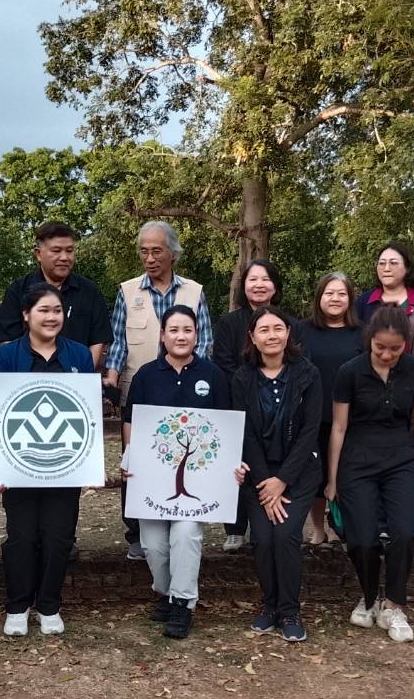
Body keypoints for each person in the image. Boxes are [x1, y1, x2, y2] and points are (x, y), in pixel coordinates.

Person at [119, 304, 238, 639]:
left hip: (196, 480)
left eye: (187, 330)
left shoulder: (213, 375)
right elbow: (131, 421)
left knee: (186, 535)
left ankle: (183, 604)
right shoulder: (146, 375)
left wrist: (230, 466)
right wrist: (131, 459)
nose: (181, 336)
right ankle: (166, 593)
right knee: (154, 545)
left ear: (197, 335)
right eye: (174, 330)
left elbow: (224, 426)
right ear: (162, 335)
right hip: (152, 479)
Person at [0, 283, 95, 636]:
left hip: (66, 464)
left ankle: (49, 605)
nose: (52, 317)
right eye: (44, 310)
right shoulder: (5, 357)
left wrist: (91, 461)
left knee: (59, 536)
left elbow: (88, 412)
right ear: (26, 315)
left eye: (57, 310)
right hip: (18, 463)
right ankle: (18, 606)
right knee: (21, 536)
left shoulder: (79, 354)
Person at [103, 220, 214, 560]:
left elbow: (205, 341)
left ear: (172, 253)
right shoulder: (127, 291)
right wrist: (110, 378)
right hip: (139, 391)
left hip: (186, 393)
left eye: (156, 251)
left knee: (182, 459)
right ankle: (137, 532)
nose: (149, 258)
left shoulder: (193, 291)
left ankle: (181, 521)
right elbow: (119, 342)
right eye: (144, 251)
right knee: (135, 462)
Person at [324, 306, 414, 641]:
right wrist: (332, 479)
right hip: (357, 463)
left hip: (402, 461)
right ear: (369, 341)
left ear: (406, 344)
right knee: (362, 539)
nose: (387, 355)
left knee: (403, 533)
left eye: (395, 349)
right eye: (380, 348)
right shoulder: (349, 372)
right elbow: (339, 428)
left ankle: (395, 605)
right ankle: (369, 597)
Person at [232, 306, 322, 642]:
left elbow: (310, 430)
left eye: (278, 328)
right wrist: (264, 484)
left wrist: (282, 481)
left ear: (288, 334)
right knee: (263, 538)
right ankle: (269, 606)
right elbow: (245, 434)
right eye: (264, 330)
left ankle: (289, 610)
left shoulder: (307, 374)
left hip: (297, 474)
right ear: (253, 338)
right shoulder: (242, 378)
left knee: (285, 536)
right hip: (258, 475)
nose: (272, 335)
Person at [211, 258, 290, 552]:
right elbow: (223, 363)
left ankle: (269, 517)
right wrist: (252, 385)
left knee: (268, 462)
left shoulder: (287, 322)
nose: (259, 285)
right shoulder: (229, 323)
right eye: (252, 280)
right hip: (236, 404)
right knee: (236, 466)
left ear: (275, 286)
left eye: (265, 279)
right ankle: (234, 528)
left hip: (277, 407)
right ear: (243, 287)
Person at [299, 271, 361, 547]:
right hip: (313, 414)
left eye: (341, 293)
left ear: (350, 299)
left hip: (351, 418)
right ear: (319, 296)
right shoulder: (302, 330)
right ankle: (318, 528)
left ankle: (339, 526)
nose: (335, 298)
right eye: (329, 293)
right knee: (316, 475)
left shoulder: (362, 332)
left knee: (345, 473)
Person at [0, 222, 112, 368]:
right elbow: (7, 341)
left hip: (75, 382)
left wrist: (82, 379)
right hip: (26, 381)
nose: (64, 257)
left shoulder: (89, 291)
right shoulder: (18, 291)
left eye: (69, 251)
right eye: (56, 251)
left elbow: (98, 341)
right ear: (38, 253)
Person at [355, 241, 414, 355]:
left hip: (413, 371)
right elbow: (356, 343)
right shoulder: (364, 302)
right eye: (381, 263)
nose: (386, 268)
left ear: (407, 267)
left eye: (393, 263)